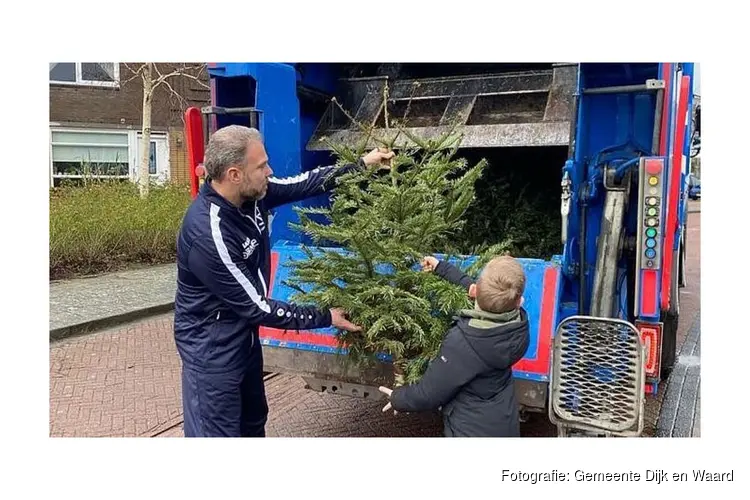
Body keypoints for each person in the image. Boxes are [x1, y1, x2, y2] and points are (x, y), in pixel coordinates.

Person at [173, 124, 394, 437]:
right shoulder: (209, 234)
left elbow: (306, 183)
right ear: (234, 174)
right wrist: (326, 316)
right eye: (262, 165)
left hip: (243, 339)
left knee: (253, 423)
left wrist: (362, 165)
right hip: (212, 351)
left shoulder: (254, 193)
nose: (270, 170)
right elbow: (258, 308)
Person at [379, 255, 530, 437]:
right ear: (519, 301)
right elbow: (482, 292)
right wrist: (441, 268)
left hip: (469, 431)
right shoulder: (519, 325)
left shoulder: (464, 342)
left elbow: (428, 394)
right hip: (504, 422)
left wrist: (398, 398)